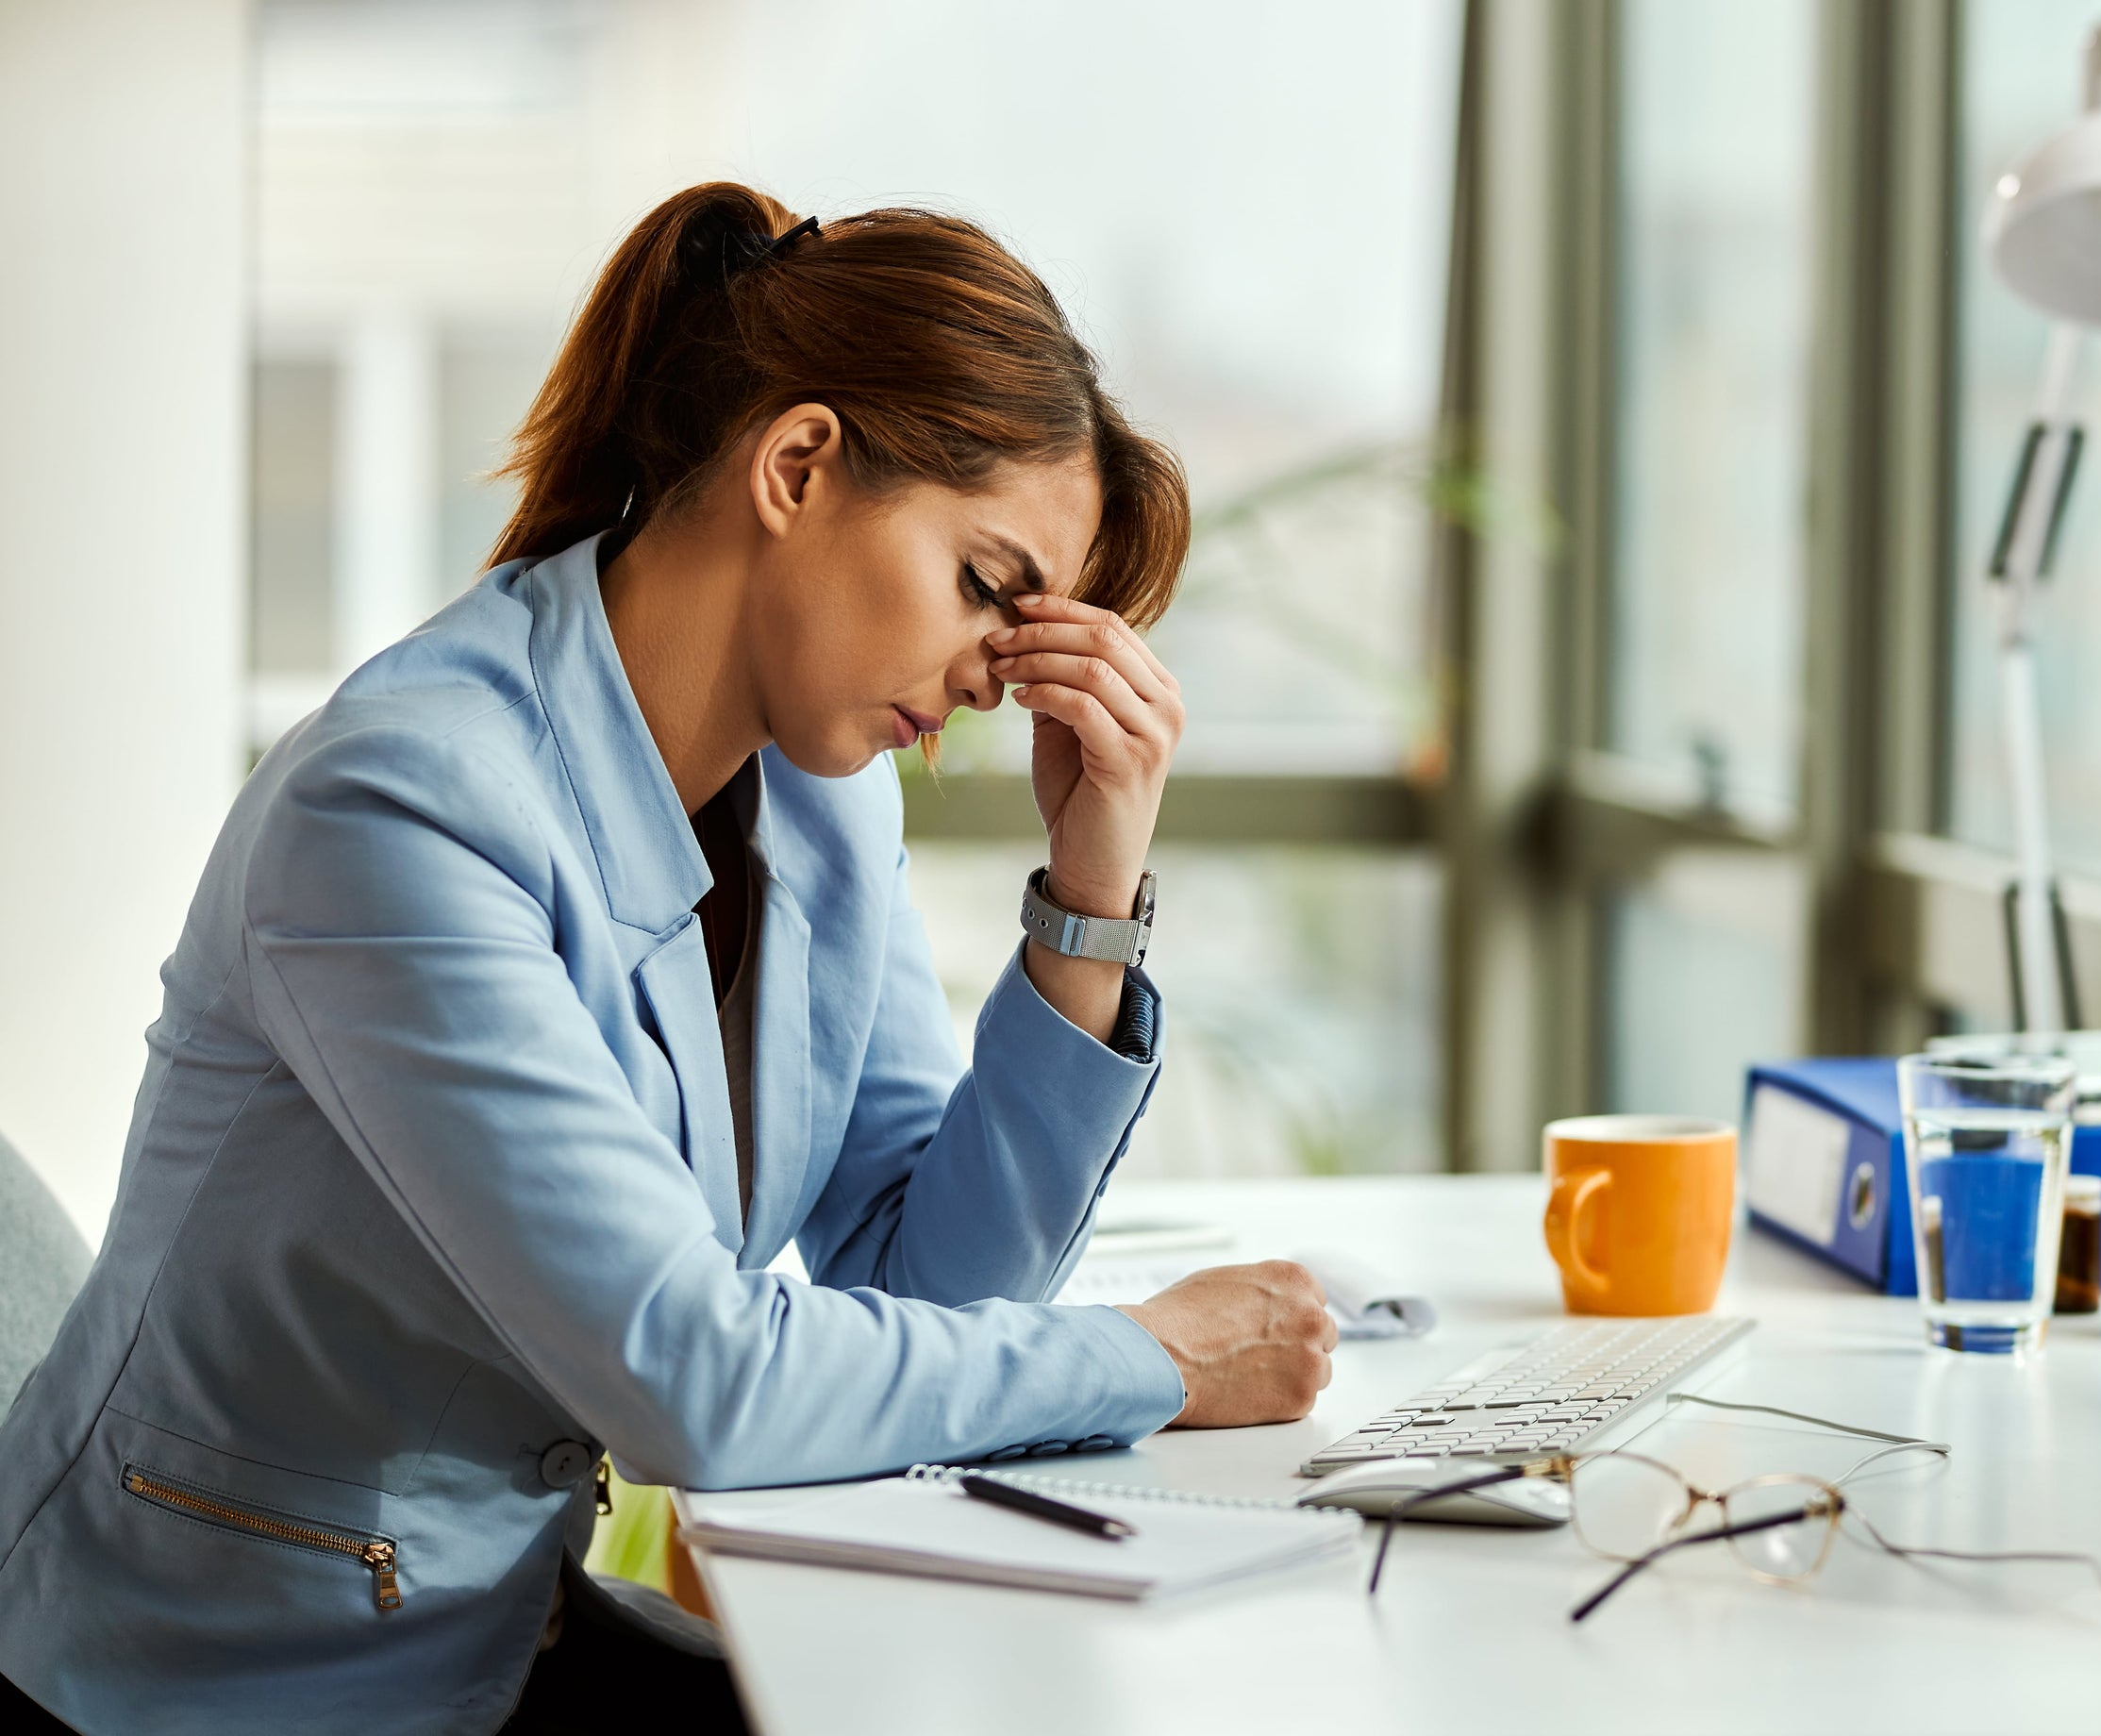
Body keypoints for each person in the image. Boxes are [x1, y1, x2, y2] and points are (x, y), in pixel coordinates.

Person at [0, 183, 1337, 1736]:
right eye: (986, 587)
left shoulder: (828, 807)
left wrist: (1089, 900)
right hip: (217, 1688)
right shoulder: (399, 809)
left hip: (489, 1635)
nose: (997, 675)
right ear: (798, 464)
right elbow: (692, 1384)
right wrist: (1153, 1359)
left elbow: (928, 1282)